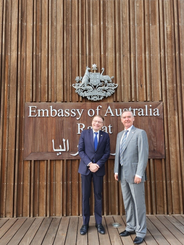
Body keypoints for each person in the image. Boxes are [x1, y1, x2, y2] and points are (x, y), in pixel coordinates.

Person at [114, 110, 149, 244]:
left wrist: (139, 173)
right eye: (124, 117)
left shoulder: (140, 133)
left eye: (129, 117)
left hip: (135, 175)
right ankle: (131, 227)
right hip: (123, 174)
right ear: (121, 120)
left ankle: (140, 231)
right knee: (128, 202)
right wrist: (116, 170)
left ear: (133, 119)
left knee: (138, 204)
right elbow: (118, 154)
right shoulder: (120, 135)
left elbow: (143, 155)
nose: (126, 119)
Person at [78, 115, 110, 235]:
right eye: (95, 121)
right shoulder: (84, 133)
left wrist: (97, 165)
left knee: (98, 196)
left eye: (99, 122)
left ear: (102, 124)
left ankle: (99, 223)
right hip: (86, 169)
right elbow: (81, 150)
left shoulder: (105, 136)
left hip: (98, 170)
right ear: (92, 122)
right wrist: (90, 164)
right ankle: (85, 224)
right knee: (86, 196)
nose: (97, 123)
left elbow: (107, 153)